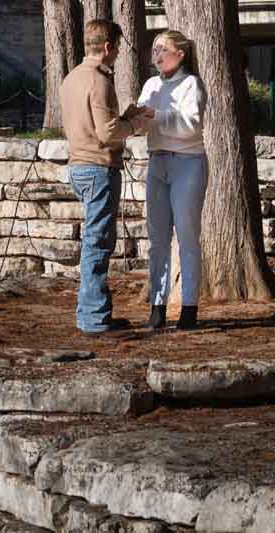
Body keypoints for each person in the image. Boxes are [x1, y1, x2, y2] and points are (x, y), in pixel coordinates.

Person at [58, 18, 153, 334]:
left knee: (94, 241)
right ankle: (94, 317)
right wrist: (137, 125)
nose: (118, 55)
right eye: (118, 48)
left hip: (78, 165)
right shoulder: (98, 80)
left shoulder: (71, 78)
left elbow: (88, 123)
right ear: (109, 46)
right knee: (97, 244)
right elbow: (106, 132)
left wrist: (125, 116)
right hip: (98, 167)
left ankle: (94, 312)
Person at [138, 28, 206, 332]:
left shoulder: (192, 84)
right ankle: (157, 305)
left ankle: (189, 307)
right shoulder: (151, 84)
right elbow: (144, 124)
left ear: (180, 54)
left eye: (162, 49)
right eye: (154, 50)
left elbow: (191, 126)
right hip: (157, 163)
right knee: (157, 240)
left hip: (187, 163)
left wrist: (157, 116)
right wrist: (136, 118)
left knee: (188, 237)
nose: (157, 55)